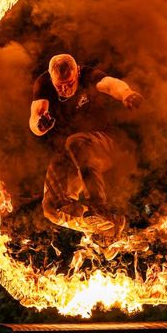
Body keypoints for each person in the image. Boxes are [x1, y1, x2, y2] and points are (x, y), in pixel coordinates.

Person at [29, 53, 143, 238]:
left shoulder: (88, 75)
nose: (65, 89)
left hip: (103, 145)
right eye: (59, 86)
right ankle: (104, 228)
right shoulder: (44, 84)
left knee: (76, 141)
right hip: (70, 153)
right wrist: (40, 126)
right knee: (52, 209)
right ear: (51, 78)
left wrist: (126, 94)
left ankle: (98, 206)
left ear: (77, 73)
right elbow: (35, 116)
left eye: (70, 83)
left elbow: (110, 84)